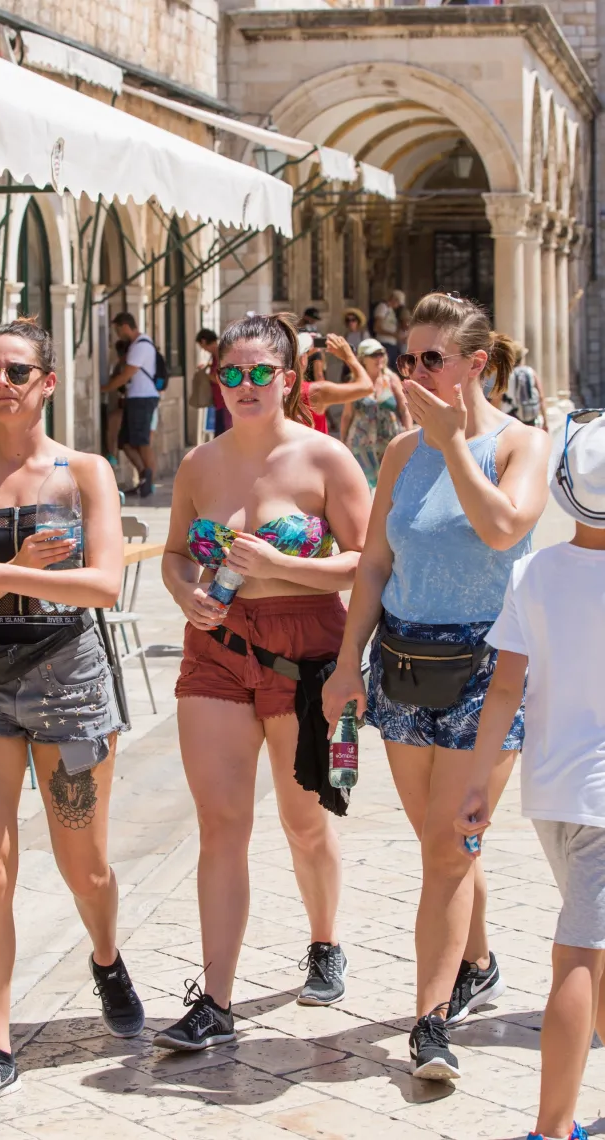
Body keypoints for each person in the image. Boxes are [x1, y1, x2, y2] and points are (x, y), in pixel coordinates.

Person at [322, 292, 551, 1082]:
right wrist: (345, 662)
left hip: (489, 668)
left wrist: (455, 447)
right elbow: (377, 564)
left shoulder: (525, 444)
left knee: (449, 853)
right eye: (406, 358)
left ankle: (430, 1023)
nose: (411, 373)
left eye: (430, 359)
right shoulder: (396, 454)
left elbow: (502, 529)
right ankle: (478, 960)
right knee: (441, 842)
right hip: (405, 662)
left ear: (475, 365)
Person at [0, 317, 144, 1113]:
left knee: (82, 863)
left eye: (16, 371)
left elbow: (104, 586)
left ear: (48, 382)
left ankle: (107, 955)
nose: (0, 386)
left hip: (68, 682)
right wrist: (11, 570)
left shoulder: (85, 474)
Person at [157, 312, 371, 1051]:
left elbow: (367, 562)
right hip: (215, 649)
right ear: (216, 382)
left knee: (305, 820)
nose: (243, 386)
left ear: (287, 379)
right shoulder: (198, 465)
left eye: (259, 374)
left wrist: (281, 567)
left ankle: (324, 940)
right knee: (221, 825)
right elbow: (179, 554)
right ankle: (214, 999)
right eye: (230, 374)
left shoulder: (326, 459)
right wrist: (185, 591)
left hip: (308, 655)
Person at [456, 411, 605, 1140]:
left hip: (554, 795)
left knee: (596, 941)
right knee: (579, 953)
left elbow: (506, 690)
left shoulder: (536, 572)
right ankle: (554, 1129)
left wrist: (481, 781)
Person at [340, 338, 412, 489]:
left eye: (381, 353)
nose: (379, 358)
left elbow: (404, 409)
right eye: (373, 355)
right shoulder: (354, 382)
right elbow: (347, 415)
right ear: (362, 359)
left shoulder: (391, 379)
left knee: (391, 485)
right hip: (362, 444)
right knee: (364, 486)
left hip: (389, 441)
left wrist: (408, 433)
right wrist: (343, 441)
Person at [104, 312, 160, 497]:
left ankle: (148, 482)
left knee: (142, 442)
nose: (118, 334)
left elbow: (127, 374)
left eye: (118, 330)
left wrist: (105, 388)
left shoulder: (141, 346)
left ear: (126, 326)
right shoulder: (137, 345)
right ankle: (145, 476)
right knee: (125, 442)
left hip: (142, 398)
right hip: (135, 398)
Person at [297, 331, 374, 434]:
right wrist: (349, 356)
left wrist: (303, 355)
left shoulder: (280, 390)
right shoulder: (316, 391)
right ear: (303, 360)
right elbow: (367, 387)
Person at [502, 343, 549, 431]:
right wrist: (545, 421)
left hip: (511, 415)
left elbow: (498, 399)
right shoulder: (531, 372)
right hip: (529, 414)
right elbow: (541, 397)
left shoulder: (507, 375)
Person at [196, 327, 231, 437]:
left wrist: (205, 375)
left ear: (203, 341)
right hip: (219, 402)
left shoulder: (219, 352)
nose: (202, 349)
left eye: (201, 346)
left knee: (223, 434)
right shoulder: (216, 354)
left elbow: (222, 378)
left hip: (223, 402)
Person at [102, 338, 128, 466]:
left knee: (112, 427)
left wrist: (103, 388)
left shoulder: (125, 367)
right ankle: (113, 456)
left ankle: (113, 456)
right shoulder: (121, 366)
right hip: (126, 405)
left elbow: (118, 383)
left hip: (127, 406)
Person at [373, 289, 405, 372]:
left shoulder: (391, 311)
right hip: (384, 343)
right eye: (398, 302)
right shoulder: (383, 307)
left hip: (392, 344)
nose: (398, 306)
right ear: (394, 299)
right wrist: (393, 334)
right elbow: (377, 327)